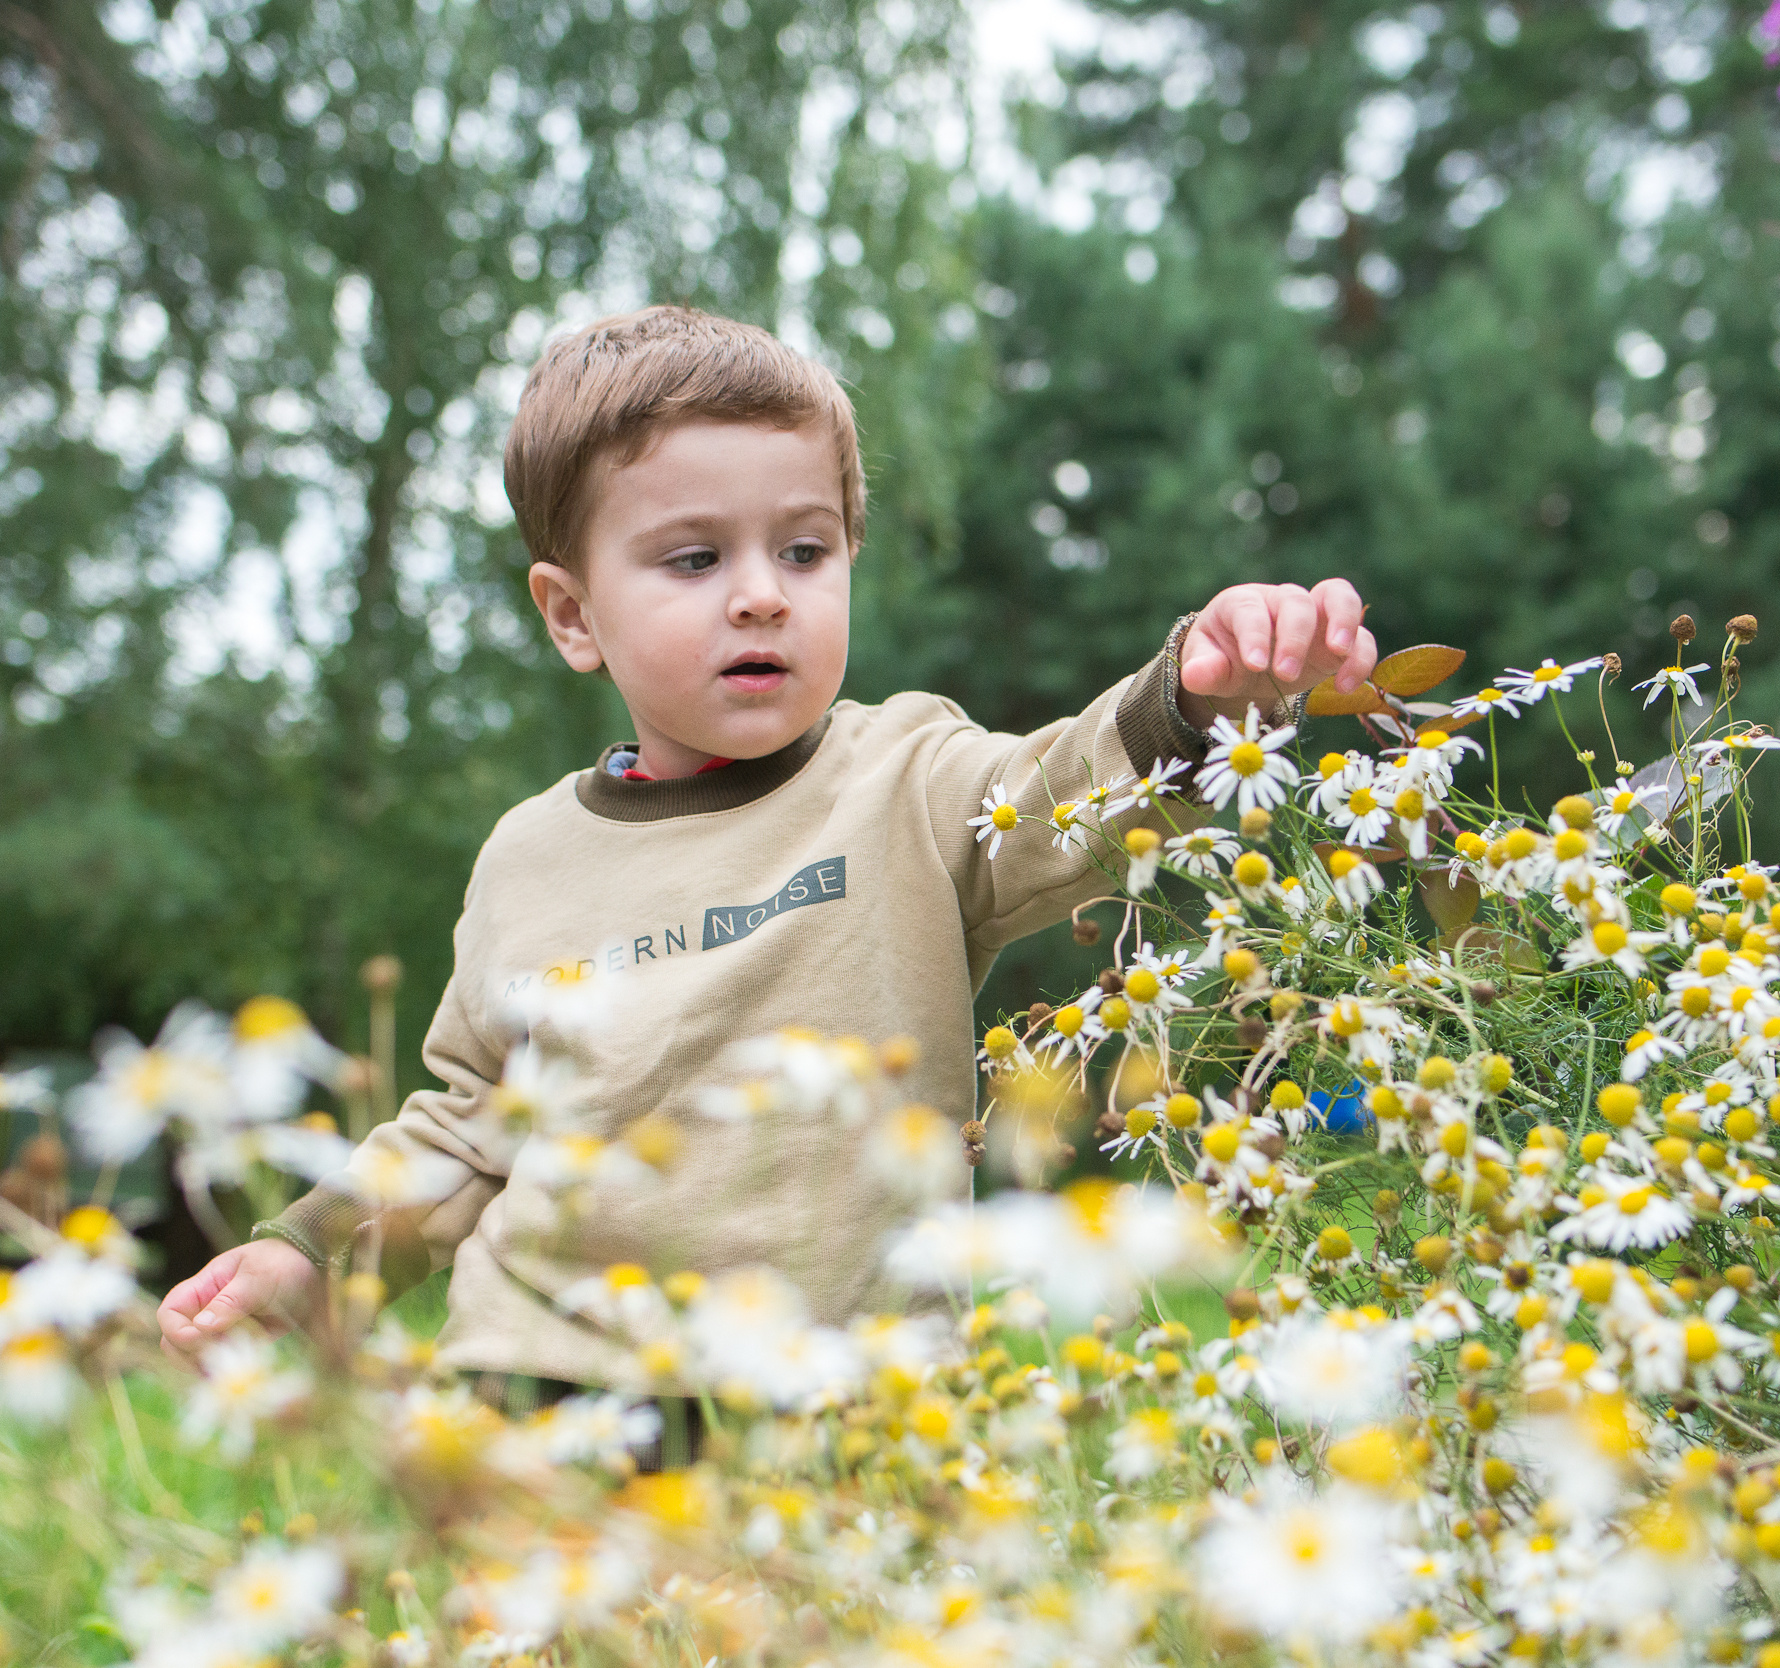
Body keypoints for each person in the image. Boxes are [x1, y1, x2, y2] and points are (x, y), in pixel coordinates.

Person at [155, 306, 1380, 1398]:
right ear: (572, 614)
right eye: (695, 559)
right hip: (545, 1390)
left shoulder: (904, 776)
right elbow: (471, 1128)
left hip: (853, 1397)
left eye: (804, 551)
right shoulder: (527, 856)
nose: (761, 596)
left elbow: (1064, 787)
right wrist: (306, 1253)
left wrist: (1206, 693)